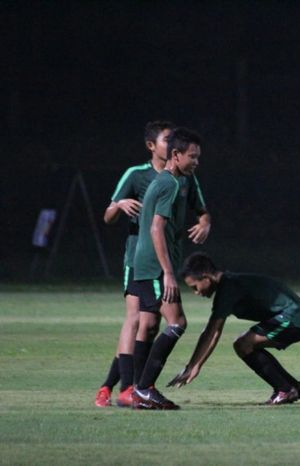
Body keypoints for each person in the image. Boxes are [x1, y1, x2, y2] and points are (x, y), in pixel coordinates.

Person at [94, 120, 174, 408]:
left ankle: (111, 386)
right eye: (167, 139)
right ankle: (128, 388)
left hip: (163, 260)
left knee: (148, 324)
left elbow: (198, 210)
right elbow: (108, 215)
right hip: (136, 259)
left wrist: (204, 221)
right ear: (151, 145)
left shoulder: (179, 176)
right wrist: (119, 205)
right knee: (139, 320)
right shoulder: (137, 175)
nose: (172, 144)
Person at [130, 127, 211, 410]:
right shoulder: (170, 184)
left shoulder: (169, 181)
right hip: (154, 266)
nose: (196, 162)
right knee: (177, 323)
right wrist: (167, 273)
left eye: (198, 157)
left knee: (150, 325)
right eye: (192, 157)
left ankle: (136, 389)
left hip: (145, 264)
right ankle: (144, 388)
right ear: (175, 155)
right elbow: (156, 228)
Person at [168, 252, 300, 405]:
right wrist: (195, 365)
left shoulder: (228, 288)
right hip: (296, 316)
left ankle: (285, 390)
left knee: (243, 344)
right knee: (245, 344)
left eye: (195, 287)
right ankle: (292, 387)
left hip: (295, 319)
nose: (196, 292)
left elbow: (211, 333)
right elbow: (215, 332)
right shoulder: (229, 283)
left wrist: (193, 366)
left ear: (206, 276)